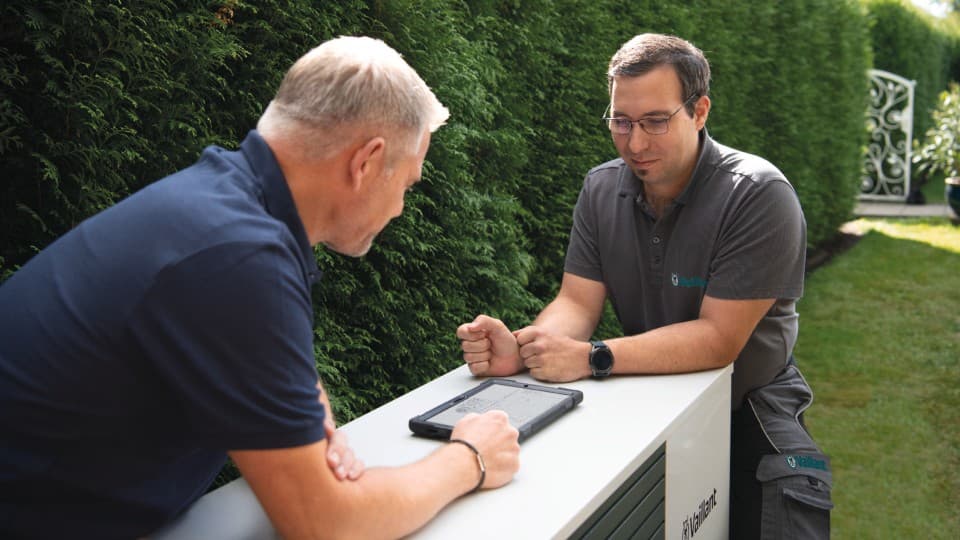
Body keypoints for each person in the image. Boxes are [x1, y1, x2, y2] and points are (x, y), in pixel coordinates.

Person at [0, 36, 520, 540]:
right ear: (365, 163)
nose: (400, 209)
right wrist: (467, 458)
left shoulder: (222, 208)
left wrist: (310, 415)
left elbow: (256, 356)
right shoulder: (237, 258)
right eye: (406, 183)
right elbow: (325, 525)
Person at [458, 33, 831, 539]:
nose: (634, 143)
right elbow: (575, 301)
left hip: (750, 407)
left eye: (655, 121)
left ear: (699, 111)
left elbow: (719, 340)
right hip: (646, 401)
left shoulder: (759, 195)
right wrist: (526, 349)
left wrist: (593, 358)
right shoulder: (600, 189)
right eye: (621, 121)